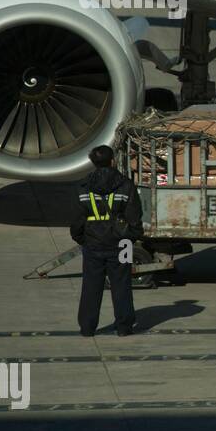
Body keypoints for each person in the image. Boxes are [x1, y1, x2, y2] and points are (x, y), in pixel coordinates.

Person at [71, 145, 144, 338]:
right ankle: (124, 327)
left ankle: (87, 328)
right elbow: (134, 216)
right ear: (113, 161)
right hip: (122, 244)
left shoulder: (83, 186)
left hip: (93, 243)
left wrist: (83, 238)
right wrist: (131, 236)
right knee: (122, 285)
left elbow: (77, 219)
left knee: (90, 286)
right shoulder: (126, 184)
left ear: (93, 163)